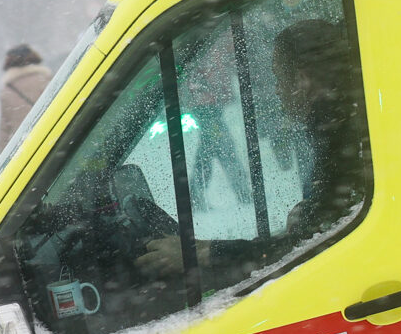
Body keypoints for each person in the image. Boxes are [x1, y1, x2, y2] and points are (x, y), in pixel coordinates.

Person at [139, 18, 367, 288]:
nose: (277, 90)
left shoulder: (341, 139)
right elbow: (317, 232)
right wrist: (311, 214)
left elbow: (300, 252)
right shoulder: (346, 127)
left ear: (302, 80)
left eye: (279, 78)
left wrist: (202, 254)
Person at [0, 44, 52, 152]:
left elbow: (4, 128)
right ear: (33, 57)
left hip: (28, 147)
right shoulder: (46, 80)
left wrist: (1, 154)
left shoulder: (7, 91)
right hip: (55, 136)